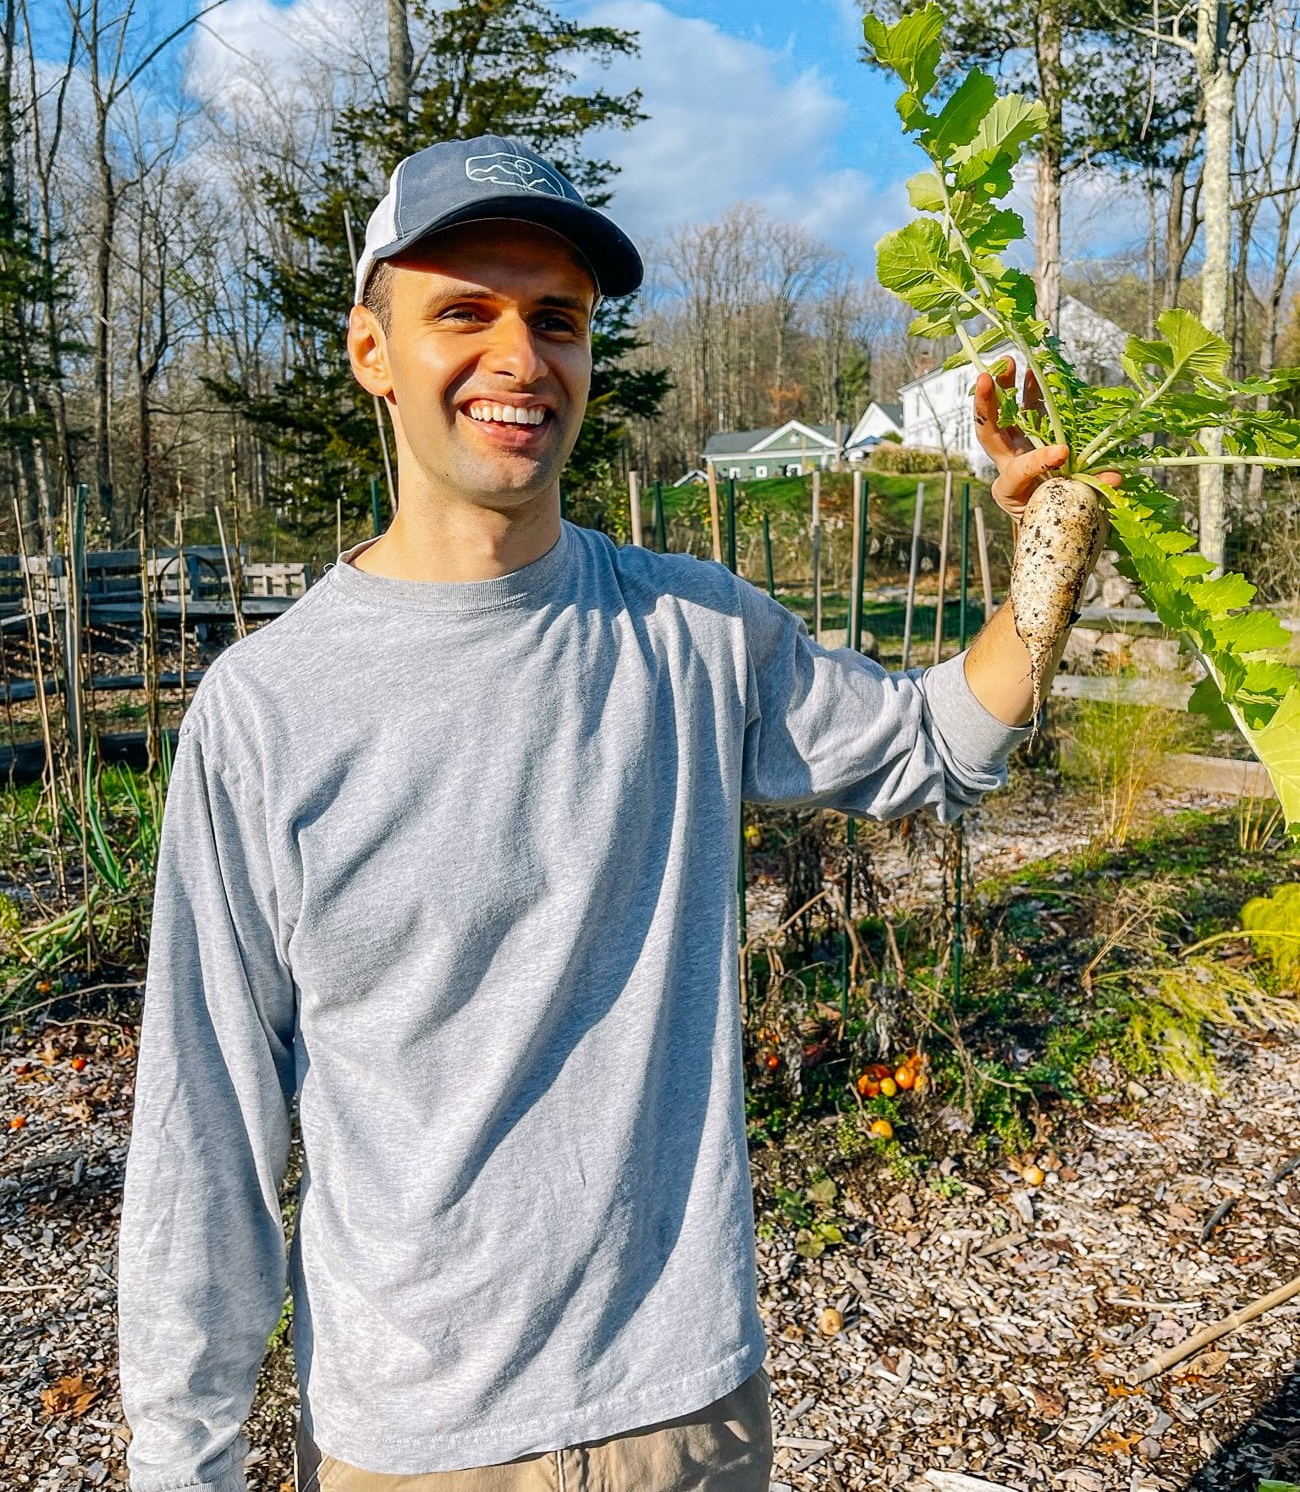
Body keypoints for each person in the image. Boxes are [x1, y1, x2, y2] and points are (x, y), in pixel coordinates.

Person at [117, 135, 1110, 1492]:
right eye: (464, 311)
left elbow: (929, 742)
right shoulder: (268, 713)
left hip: (685, 1414)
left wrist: (1045, 557)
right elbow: (204, 1133)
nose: (521, 357)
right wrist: (185, 1459)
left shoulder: (692, 633)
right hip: (417, 1448)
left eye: (559, 318)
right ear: (371, 351)